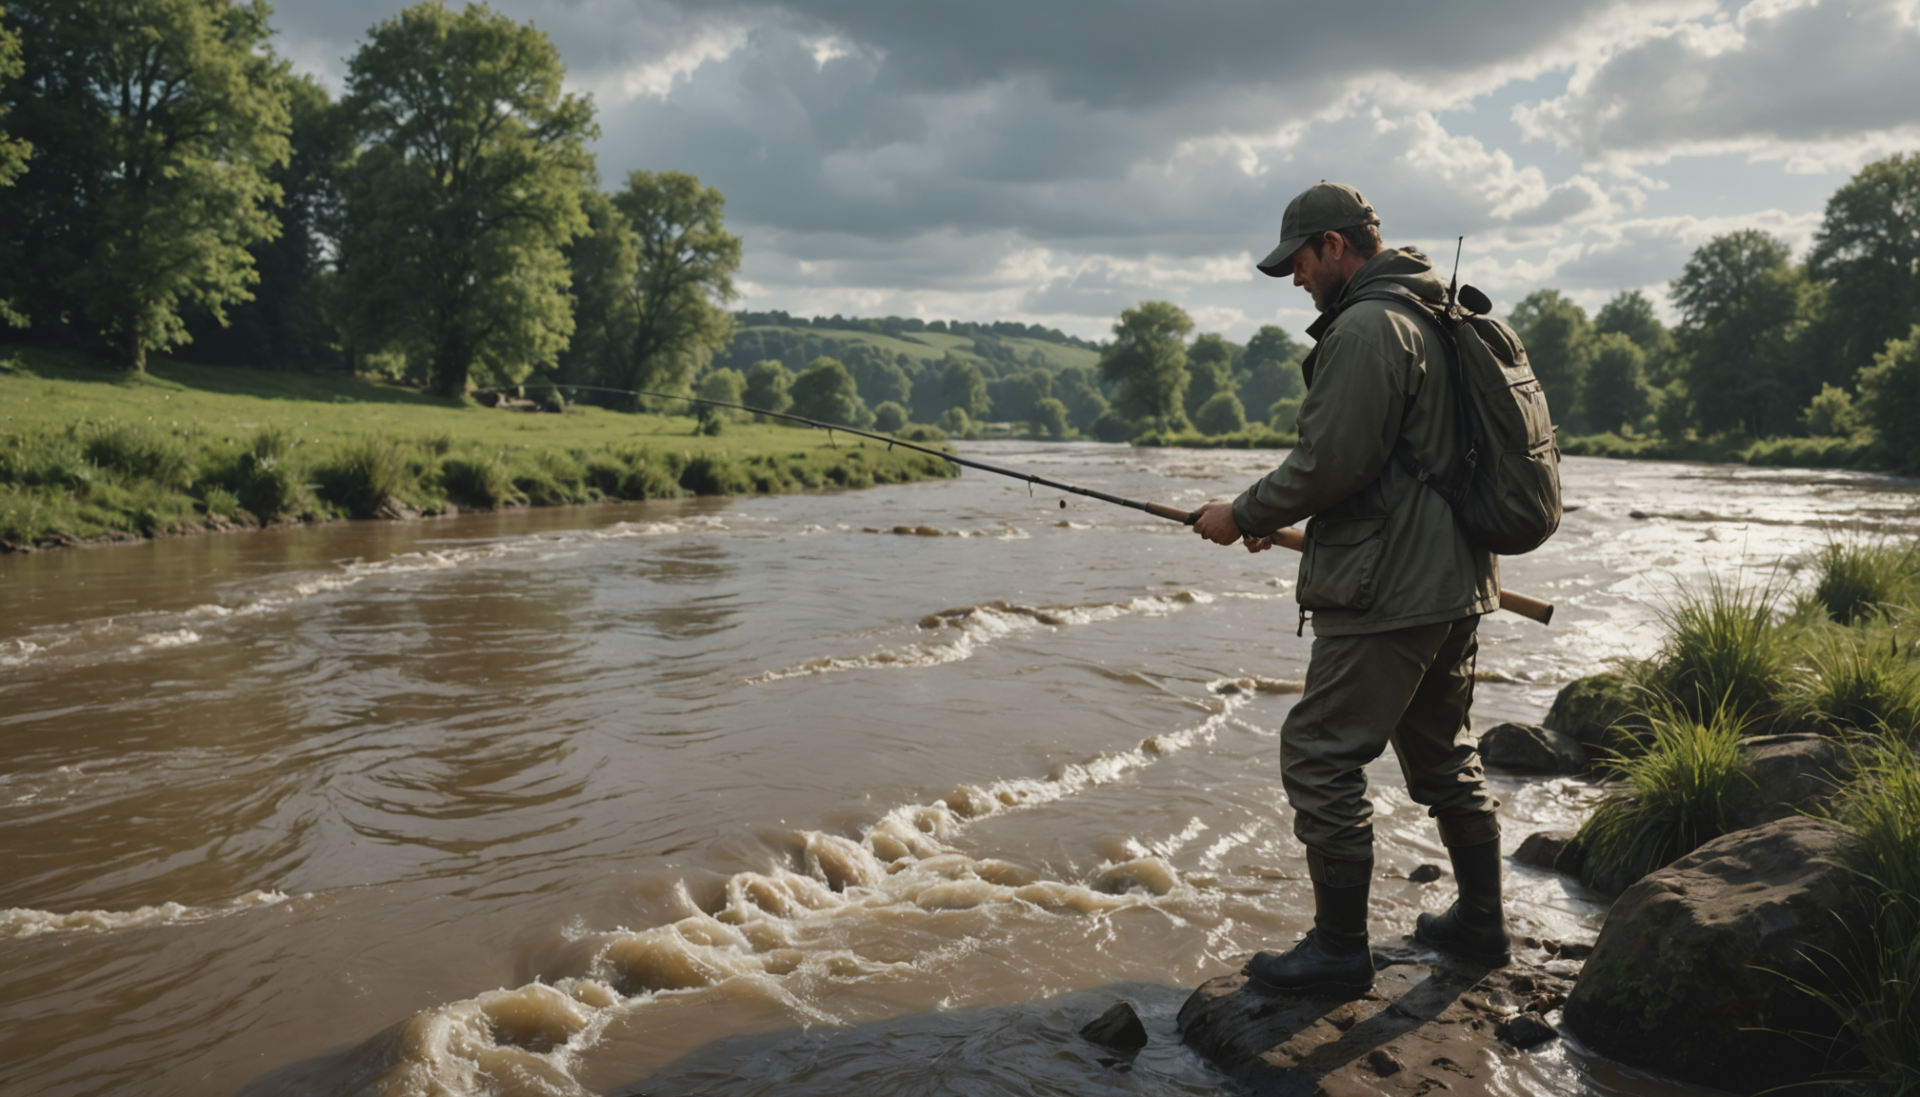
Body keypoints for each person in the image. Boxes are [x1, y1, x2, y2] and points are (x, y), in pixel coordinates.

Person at [1191, 181, 1507, 994]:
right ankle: (1480, 921)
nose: (1295, 279)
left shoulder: (1368, 326)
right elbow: (1387, 466)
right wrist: (1283, 516)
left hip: (1391, 585)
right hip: (1458, 576)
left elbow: (1332, 461)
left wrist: (1243, 512)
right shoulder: (1433, 313)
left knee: (1319, 753)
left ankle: (1338, 951)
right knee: (1442, 754)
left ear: (1334, 246)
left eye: (1296, 262)